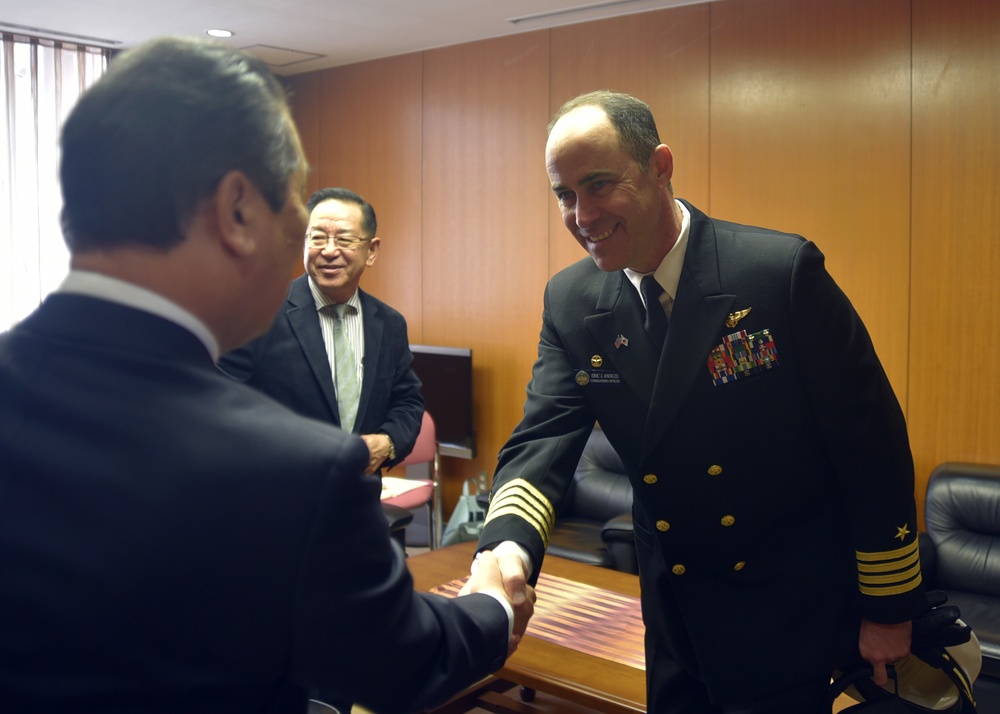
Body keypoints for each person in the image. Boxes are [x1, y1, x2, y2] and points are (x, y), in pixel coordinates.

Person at [0, 36, 532, 714]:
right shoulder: (291, 473)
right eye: (296, 208)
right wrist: (491, 600)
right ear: (237, 211)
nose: (307, 243)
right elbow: (399, 662)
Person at [475, 90, 925, 713]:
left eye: (599, 184)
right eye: (564, 194)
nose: (582, 215)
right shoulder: (572, 301)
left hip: (787, 614)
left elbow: (869, 445)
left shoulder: (776, 273)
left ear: (659, 167)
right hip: (675, 611)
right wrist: (506, 547)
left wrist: (890, 607)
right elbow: (543, 437)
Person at [219, 187, 423, 478]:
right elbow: (221, 405)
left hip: (358, 498)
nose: (329, 251)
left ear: (371, 251)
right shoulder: (257, 313)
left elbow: (407, 402)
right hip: (277, 495)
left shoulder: (389, 324)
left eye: (344, 239)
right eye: (317, 238)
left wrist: (387, 443)